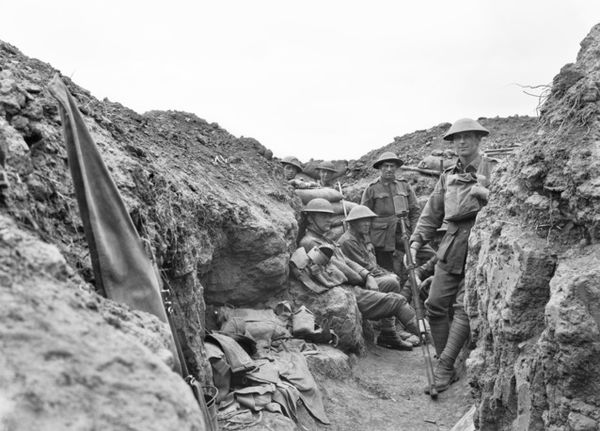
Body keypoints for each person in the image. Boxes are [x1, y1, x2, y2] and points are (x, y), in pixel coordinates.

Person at [409, 118, 494, 394]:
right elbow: (431, 214)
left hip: (480, 242)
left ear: (478, 140)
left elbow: (507, 206)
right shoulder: (446, 176)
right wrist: (415, 243)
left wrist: (487, 195)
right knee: (434, 303)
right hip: (451, 241)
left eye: (467, 137)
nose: (461, 142)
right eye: (457, 138)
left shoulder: (492, 169)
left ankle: (445, 366)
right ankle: (447, 355)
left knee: (462, 307)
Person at [298, 198, 417, 350]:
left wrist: (367, 276)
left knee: (392, 285)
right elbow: (341, 269)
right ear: (310, 218)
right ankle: (429, 337)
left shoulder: (325, 239)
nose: (329, 219)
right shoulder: (310, 242)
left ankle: (390, 333)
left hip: (351, 287)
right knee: (398, 301)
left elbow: (347, 261)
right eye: (324, 216)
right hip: (343, 292)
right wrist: (364, 278)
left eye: (329, 215)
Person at [338, 205, 420, 346]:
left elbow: (373, 265)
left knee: (393, 280)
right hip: (359, 282)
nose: (367, 224)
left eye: (368, 220)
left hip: (369, 277)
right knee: (392, 283)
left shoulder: (362, 238)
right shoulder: (348, 241)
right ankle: (391, 331)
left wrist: (388, 273)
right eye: (362, 221)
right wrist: (388, 275)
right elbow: (364, 267)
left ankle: (390, 330)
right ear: (352, 223)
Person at [360, 151, 435, 272]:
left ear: (396, 168)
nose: (389, 169)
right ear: (380, 167)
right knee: (389, 272)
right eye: (386, 166)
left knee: (432, 257)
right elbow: (363, 217)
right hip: (382, 240)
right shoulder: (371, 189)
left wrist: (416, 235)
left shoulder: (404, 186)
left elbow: (415, 212)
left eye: (392, 166)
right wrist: (367, 241)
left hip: (405, 234)